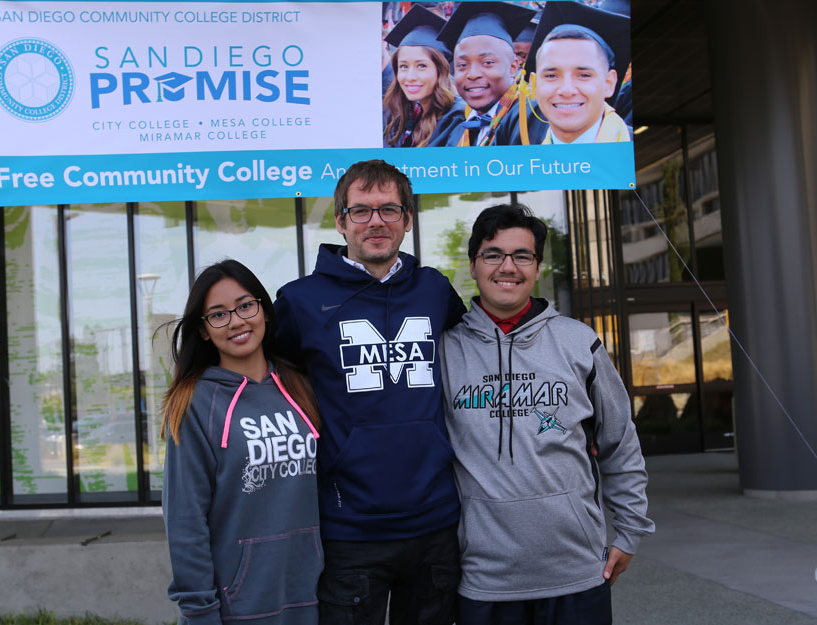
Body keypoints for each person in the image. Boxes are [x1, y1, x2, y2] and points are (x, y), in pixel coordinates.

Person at [440, 204, 655, 625]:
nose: (508, 267)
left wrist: (629, 532)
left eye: (522, 255)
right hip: (484, 579)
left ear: (538, 267)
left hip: (576, 573)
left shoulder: (579, 343)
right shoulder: (445, 350)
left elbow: (620, 444)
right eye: (493, 254)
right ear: (473, 265)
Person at [273, 160, 466, 625]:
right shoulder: (299, 301)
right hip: (350, 528)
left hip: (435, 522)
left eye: (389, 209)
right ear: (340, 221)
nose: (376, 221)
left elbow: (481, 357)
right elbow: (267, 379)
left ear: (407, 220)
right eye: (361, 211)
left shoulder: (435, 289)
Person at [163, 259, 323, 625]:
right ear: (203, 331)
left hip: (314, 594)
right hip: (240, 604)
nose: (236, 321)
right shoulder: (195, 403)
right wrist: (199, 610)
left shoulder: (302, 386)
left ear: (264, 310)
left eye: (245, 305)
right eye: (218, 315)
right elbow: (185, 519)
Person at [433, 2, 535, 146]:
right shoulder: (460, 130)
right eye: (462, 65)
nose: (473, 75)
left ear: (513, 67)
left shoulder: (528, 120)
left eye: (487, 62)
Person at [531, 1, 632, 144]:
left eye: (583, 75)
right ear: (534, 85)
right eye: (551, 76)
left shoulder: (638, 151)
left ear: (609, 83)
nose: (567, 91)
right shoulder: (520, 160)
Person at [382, 5, 460, 147]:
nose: (410, 76)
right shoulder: (401, 113)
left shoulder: (457, 120)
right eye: (403, 66)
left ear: (440, 69)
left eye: (421, 66)